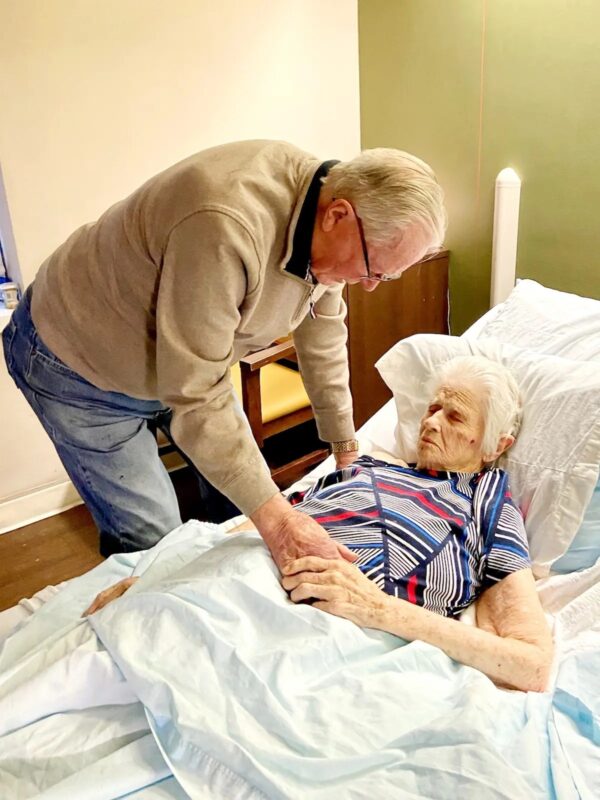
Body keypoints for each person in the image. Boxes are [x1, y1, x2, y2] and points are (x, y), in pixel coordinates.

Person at [2, 140, 446, 567]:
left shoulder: (330, 210)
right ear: (337, 215)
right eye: (373, 270)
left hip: (181, 363)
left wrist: (344, 444)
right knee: (154, 544)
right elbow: (194, 392)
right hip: (77, 361)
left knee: (239, 499)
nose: (369, 284)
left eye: (384, 277)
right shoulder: (225, 223)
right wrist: (278, 521)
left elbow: (323, 331)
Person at [85, 355, 553, 692]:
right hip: (240, 578)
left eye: (454, 416)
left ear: (495, 445)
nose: (431, 423)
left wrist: (377, 609)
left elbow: (530, 665)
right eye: (432, 408)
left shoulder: (487, 504)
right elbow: (262, 529)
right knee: (104, 648)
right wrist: (161, 574)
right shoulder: (368, 468)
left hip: (315, 624)